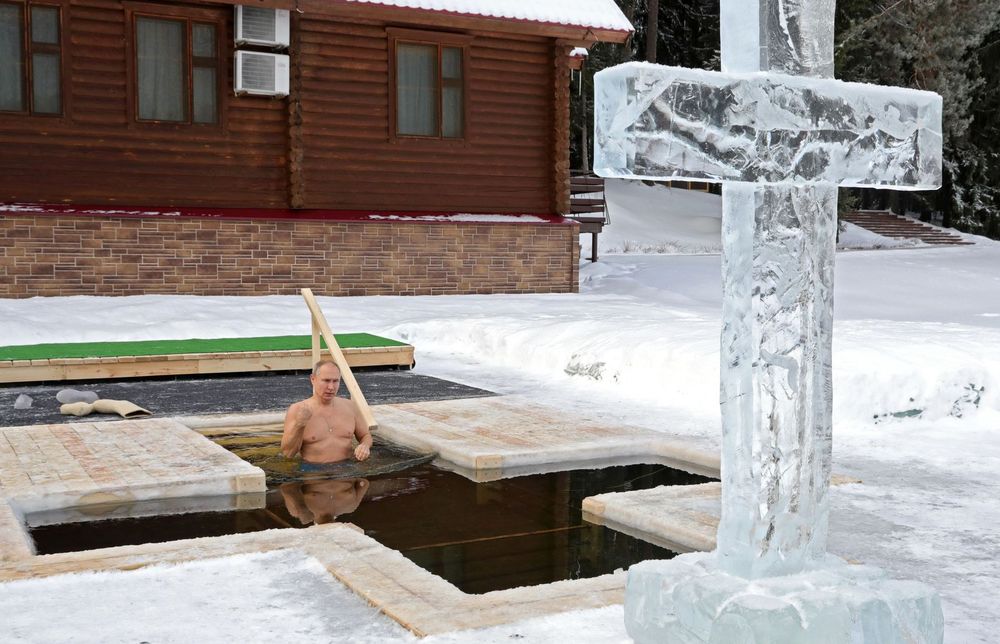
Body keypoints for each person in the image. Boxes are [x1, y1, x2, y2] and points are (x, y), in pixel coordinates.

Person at [281, 360, 372, 463]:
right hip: (313, 469)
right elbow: (288, 454)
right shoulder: (297, 410)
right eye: (326, 380)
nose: (331, 387)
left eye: (335, 381)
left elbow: (365, 435)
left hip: (347, 467)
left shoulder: (350, 407)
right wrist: (299, 425)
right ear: (313, 379)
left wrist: (365, 446)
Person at [280, 478, 369, 525]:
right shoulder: (350, 507)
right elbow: (364, 483)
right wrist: (350, 477)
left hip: (314, 467)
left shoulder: (297, 511)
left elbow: (286, 487)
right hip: (345, 466)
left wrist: (302, 507)